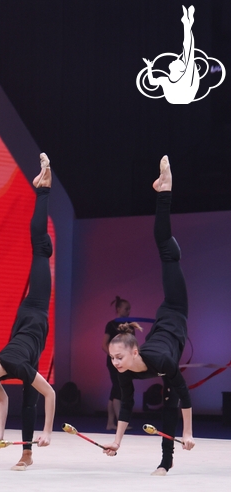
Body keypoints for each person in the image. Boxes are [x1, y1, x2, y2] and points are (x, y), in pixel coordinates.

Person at [103, 155, 196, 475]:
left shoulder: (159, 360)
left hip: (173, 307)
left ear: (134, 351)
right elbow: (127, 406)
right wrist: (116, 441)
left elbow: (184, 393)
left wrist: (188, 432)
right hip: (173, 321)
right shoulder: (125, 371)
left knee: (167, 252)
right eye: (112, 358)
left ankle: (164, 191)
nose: (115, 362)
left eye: (118, 357)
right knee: (169, 405)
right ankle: (167, 463)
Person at [0, 153, 55, 471]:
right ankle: (26, 453)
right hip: (31, 329)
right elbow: (2, 399)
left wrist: (48, 432)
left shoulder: (10, 366)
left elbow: (51, 394)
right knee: (27, 400)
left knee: (39, 248)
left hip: (33, 311)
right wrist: (0, 434)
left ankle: (43, 188)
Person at [143, 6, 199, 104]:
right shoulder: (169, 79)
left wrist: (149, 67)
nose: (176, 59)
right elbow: (151, 82)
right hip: (183, 97)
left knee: (188, 51)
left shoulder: (169, 79)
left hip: (183, 96)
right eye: (179, 61)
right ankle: (187, 24)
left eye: (177, 61)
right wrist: (149, 67)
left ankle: (187, 23)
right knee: (188, 51)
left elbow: (152, 81)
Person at [102, 296, 132, 430]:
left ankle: (110, 423)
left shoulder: (130, 325)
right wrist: (115, 357)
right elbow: (104, 345)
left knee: (115, 391)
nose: (128, 311)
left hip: (125, 361)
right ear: (118, 309)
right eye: (126, 309)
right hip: (114, 362)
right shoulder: (111, 325)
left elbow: (132, 345)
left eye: (129, 309)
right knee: (118, 389)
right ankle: (121, 423)